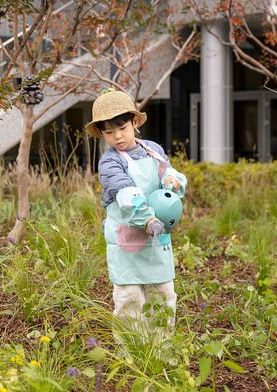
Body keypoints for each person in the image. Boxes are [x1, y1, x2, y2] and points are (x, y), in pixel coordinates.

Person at [86, 90, 187, 329]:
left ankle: (161, 350)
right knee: (129, 298)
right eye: (109, 133)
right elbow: (127, 194)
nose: (117, 137)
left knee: (163, 294)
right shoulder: (110, 162)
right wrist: (148, 219)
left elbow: (168, 171)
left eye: (122, 128)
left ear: (134, 122)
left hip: (158, 239)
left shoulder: (153, 149)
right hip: (127, 242)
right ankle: (133, 353)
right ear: (102, 134)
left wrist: (173, 182)